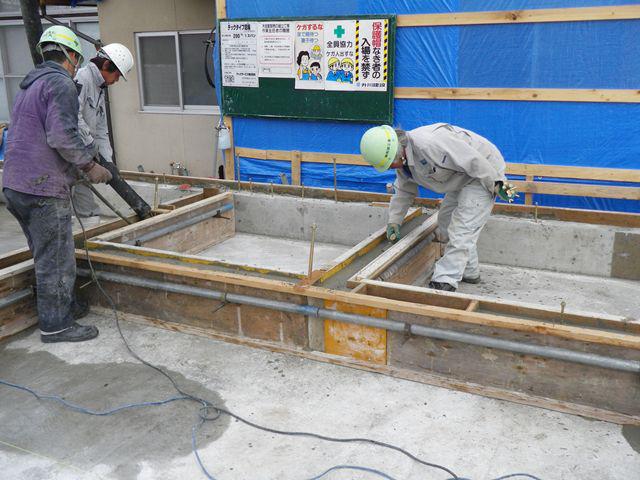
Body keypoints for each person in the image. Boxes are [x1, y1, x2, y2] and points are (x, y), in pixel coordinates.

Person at [2, 26, 112, 343]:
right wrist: (89, 165)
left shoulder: (31, 85)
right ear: (71, 56)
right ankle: (57, 325)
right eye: (77, 59)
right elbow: (62, 136)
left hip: (16, 185)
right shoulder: (61, 84)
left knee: (46, 254)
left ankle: (64, 307)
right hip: (42, 188)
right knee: (57, 259)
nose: (77, 66)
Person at [360, 123, 517, 292]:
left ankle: (445, 280)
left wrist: (498, 183)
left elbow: (474, 160)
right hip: (461, 175)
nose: (390, 168)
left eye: (390, 163)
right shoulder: (402, 159)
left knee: (462, 228)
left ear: (397, 152)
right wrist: (394, 221)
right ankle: (470, 271)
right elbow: (404, 190)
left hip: (484, 169)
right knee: (445, 221)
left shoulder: (430, 144)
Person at [72, 43, 134, 222]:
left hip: (82, 159)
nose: (116, 80)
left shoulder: (99, 88)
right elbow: (73, 116)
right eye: (117, 75)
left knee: (89, 214)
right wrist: (91, 146)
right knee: (62, 212)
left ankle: (88, 231)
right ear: (106, 65)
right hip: (68, 155)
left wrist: (108, 161)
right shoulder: (81, 79)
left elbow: (101, 129)